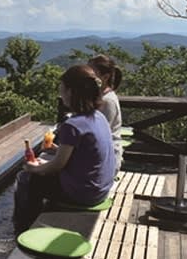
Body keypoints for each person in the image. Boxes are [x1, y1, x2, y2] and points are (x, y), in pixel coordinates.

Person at [13, 64, 115, 232]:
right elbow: (84, 154)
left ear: (70, 92)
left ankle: (24, 228)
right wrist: (56, 150)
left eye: (62, 89)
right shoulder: (99, 117)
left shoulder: (73, 125)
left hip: (84, 194)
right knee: (39, 172)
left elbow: (57, 166)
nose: (60, 94)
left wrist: (35, 168)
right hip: (101, 189)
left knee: (25, 179)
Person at [88, 55, 123, 173]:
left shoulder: (107, 101)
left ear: (105, 77)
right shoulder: (98, 97)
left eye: (92, 73)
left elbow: (98, 137)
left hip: (107, 161)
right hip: (98, 154)